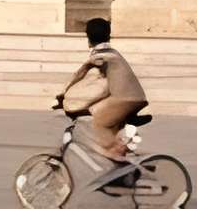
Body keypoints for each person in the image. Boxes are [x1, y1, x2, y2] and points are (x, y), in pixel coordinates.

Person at [54, 17, 150, 188]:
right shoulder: (110, 52)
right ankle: (120, 169)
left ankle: (118, 161)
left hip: (125, 98)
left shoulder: (101, 56)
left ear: (88, 37)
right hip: (128, 96)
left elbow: (82, 76)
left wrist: (64, 95)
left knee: (99, 121)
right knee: (105, 123)